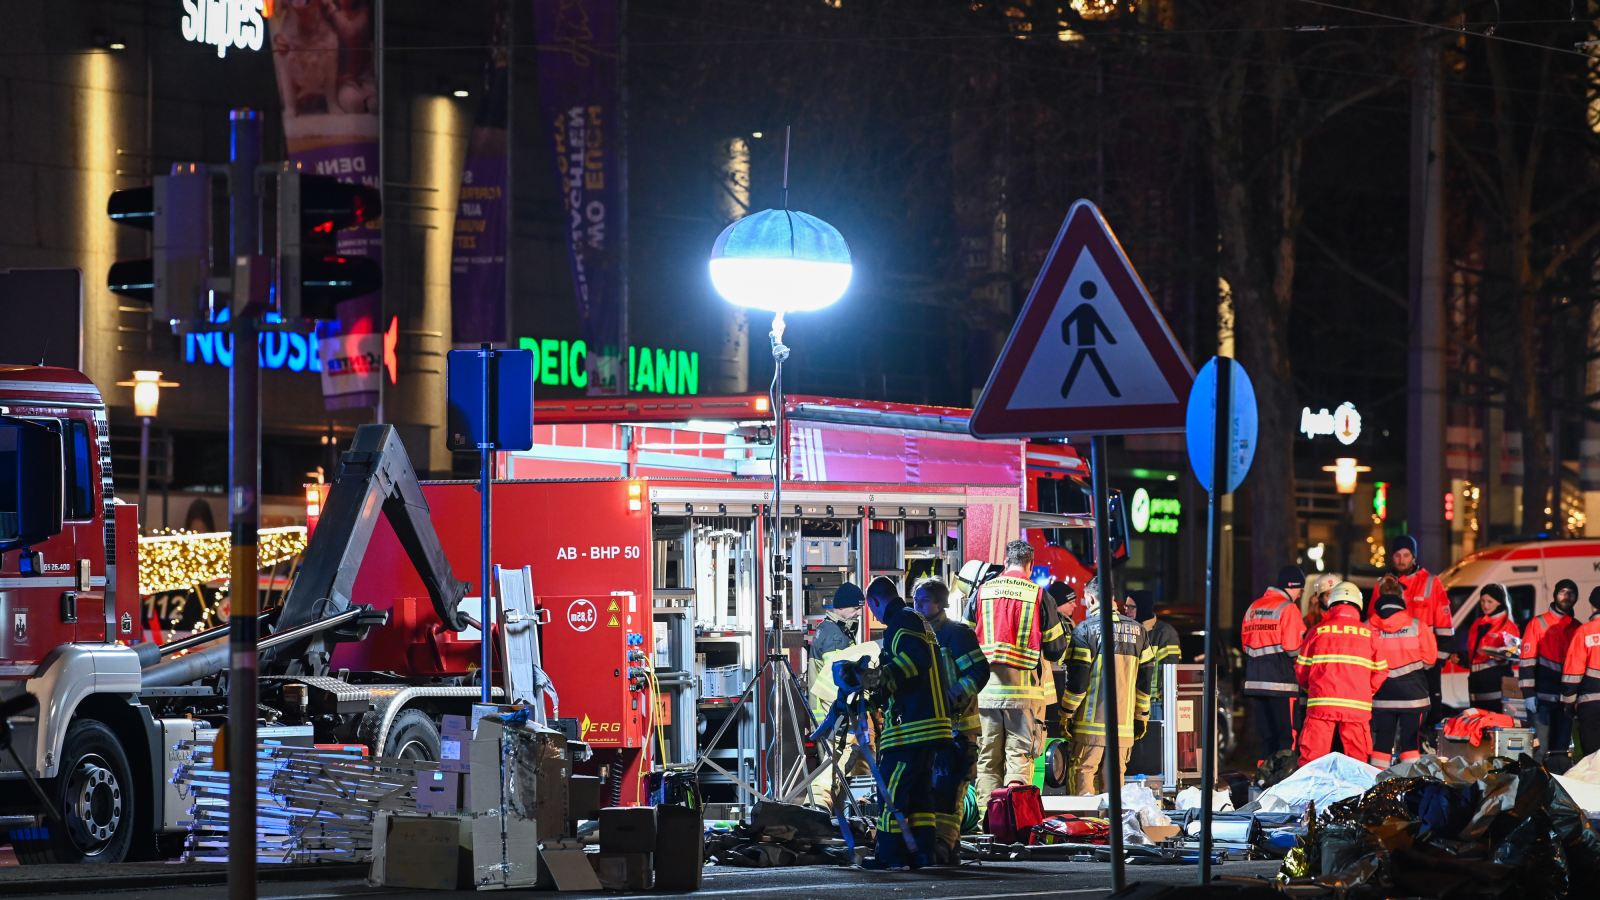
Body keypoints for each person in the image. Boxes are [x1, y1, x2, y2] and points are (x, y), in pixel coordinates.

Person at [859, 576, 950, 870]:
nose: (873, 615)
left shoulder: (900, 621)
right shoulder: (916, 620)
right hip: (931, 723)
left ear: (875, 601)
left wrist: (875, 678)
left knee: (890, 791)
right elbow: (904, 671)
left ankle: (890, 855)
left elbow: (914, 661)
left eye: (871, 609)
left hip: (912, 727)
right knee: (920, 794)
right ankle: (922, 854)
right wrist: (876, 695)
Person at [973, 541, 1070, 809]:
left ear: (1005, 562)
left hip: (985, 693)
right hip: (1024, 697)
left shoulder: (982, 592)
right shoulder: (1040, 596)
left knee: (987, 760)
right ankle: (1013, 824)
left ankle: (987, 825)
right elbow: (1055, 649)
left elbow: (966, 639)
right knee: (1019, 759)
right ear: (1030, 564)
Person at [913, 578, 989, 866]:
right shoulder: (916, 634)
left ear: (942, 603)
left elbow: (979, 671)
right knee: (930, 791)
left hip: (958, 728)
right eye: (916, 600)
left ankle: (944, 845)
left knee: (948, 791)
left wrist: (953, 695)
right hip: (928, 729)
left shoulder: (957, 634)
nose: (919, 605)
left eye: (925, 600)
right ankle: (942, 846)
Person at [1059, 577, 1155, 794]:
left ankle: (1086, 827)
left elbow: (1078, 682)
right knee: (1114, 783)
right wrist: (1141, 717)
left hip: (1089, 728)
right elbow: (1146, 681)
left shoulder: (1084, 631)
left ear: (1091, 598)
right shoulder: (1139, 632)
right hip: (1123, 729)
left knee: (1083, 776)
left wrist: (1066, 714)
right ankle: (1113, 828)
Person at [1295, 582, 1387, 766]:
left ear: (1332, 603)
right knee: (1357, 762)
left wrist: (1310, 689)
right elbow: (1381, 670)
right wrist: (1366, 692)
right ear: (1357, 604)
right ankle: (1355, 794)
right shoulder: (1369, 634)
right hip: (1356, 707)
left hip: (1321, 703)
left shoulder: (1317, 631)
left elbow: (1301, 668)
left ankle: (1311, 794)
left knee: (1311, 761)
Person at [1378, 536, 1454, 724]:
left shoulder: (1431, 582)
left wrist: (1437, 665)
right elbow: (1375, 622)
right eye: (1397, 555)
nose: (1401, 560)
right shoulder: (1382, 583)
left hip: (1425, 664)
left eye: (1406, 555)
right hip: (1391, 663)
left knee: (1429, 714)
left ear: (1414, 557)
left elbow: (1445, 628)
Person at [808, 582, 869, 809]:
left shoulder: (831, 628)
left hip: (825, 709)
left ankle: (840, 810)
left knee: (839, 759)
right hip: (834, 707)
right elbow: (838, 678)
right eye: (855, 608)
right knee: (837, 758)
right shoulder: (837, 637)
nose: (859, 612)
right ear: (841, 608)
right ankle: (818, 806)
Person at [1242, 565, 1308, 764]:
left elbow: (1246, 646)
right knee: (1287, 737)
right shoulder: (1288, 608)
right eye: (1300, 590)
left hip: (1256, 682)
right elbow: (1293, 648)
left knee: (1267, 738)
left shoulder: (1253, 607)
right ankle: (1284, 780)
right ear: (1293, 586)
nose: (1299, 595)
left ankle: (1263, 779)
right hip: (1282, 684)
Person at [1369, 576, 1437, 767]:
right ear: (1401, 597)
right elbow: (1430, 661)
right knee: (1410, 744)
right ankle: (1410, 787)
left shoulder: (1368, 627)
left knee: (1381, 744)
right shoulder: (1417, 626)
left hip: (1380, 696)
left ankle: (1377, 785)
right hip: (1413, 696)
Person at [1522, 579, 1580, 763]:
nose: (1567, 596)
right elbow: (1526, 661)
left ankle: (1556, 790)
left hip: (1566, 702)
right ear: (1555, 594)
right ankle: (1539, 790)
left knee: (1561, 754)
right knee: (1541, 752)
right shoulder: (1538, 623)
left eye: (1571, 593)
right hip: (1542, 700)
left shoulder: (1578, 627)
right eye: (1563, 591)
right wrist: (1528, 693)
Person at [1459, 583, 1520, 709]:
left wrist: (1500, 655)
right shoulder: (1477, 624)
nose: (1485, 605)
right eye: (1482, 601)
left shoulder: (1508, 626)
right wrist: (1462, 658)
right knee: (1478, 724)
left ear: (1499, 602)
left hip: (1498, 683)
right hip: (1476, 685)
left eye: (1489, 601)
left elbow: (1515, 654)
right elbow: (1473, 654)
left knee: (1497, 724)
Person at [1561, 587, 1600, 758]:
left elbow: (1572, 673)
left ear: (1593, 605)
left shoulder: (1585, 631)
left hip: (1590, 705)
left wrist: (1568, 704)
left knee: (1592, 758)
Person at [1130, 589, 1181, 712]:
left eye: (1131, 607)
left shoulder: (1165, 634)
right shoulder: (1129, 631)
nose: (1126, 610)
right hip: (1129, 704)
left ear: (1142, 607)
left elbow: (1170, 674)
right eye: (1126, 606)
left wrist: (1162, 705)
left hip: (1154, 706)